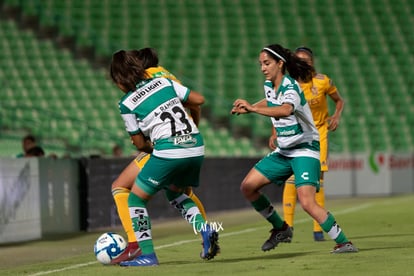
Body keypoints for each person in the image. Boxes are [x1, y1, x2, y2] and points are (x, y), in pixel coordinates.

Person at [230, 44, 357, 253]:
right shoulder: (269, 85)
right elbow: (271, 101)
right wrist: (252, 105)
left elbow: (285, 109)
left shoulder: (290, 87)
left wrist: (253, 109)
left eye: (267, 63)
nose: (262, 68)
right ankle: (281, 228)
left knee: (306, 202)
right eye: (261, 64)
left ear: (280, 64)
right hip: (284, 150)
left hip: (305, 149)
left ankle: (344, 242)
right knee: (248, 186)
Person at [109, 49, 220, 266]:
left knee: (134, 198)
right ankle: (205, 229)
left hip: (168, 150)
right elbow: (199, 99)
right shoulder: (164, 82)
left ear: (119, 79)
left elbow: (140, 144)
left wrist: (156, 144)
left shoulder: (127, 103)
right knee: (175, 193)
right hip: (195, 145)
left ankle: (146, 254)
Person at [279, 46, 345, 241]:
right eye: (300, 60)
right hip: (295, 135)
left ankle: (318, 229)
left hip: (318, 135)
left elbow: (339, 101)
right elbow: (280, 109)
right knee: (291, 179)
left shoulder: (322, 81)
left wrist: (336, 116)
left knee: (318, 180)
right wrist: (275, 132)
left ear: (312, 62)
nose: (304, 63)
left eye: (307, 60)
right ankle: (287, 227)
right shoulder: (289, 84)